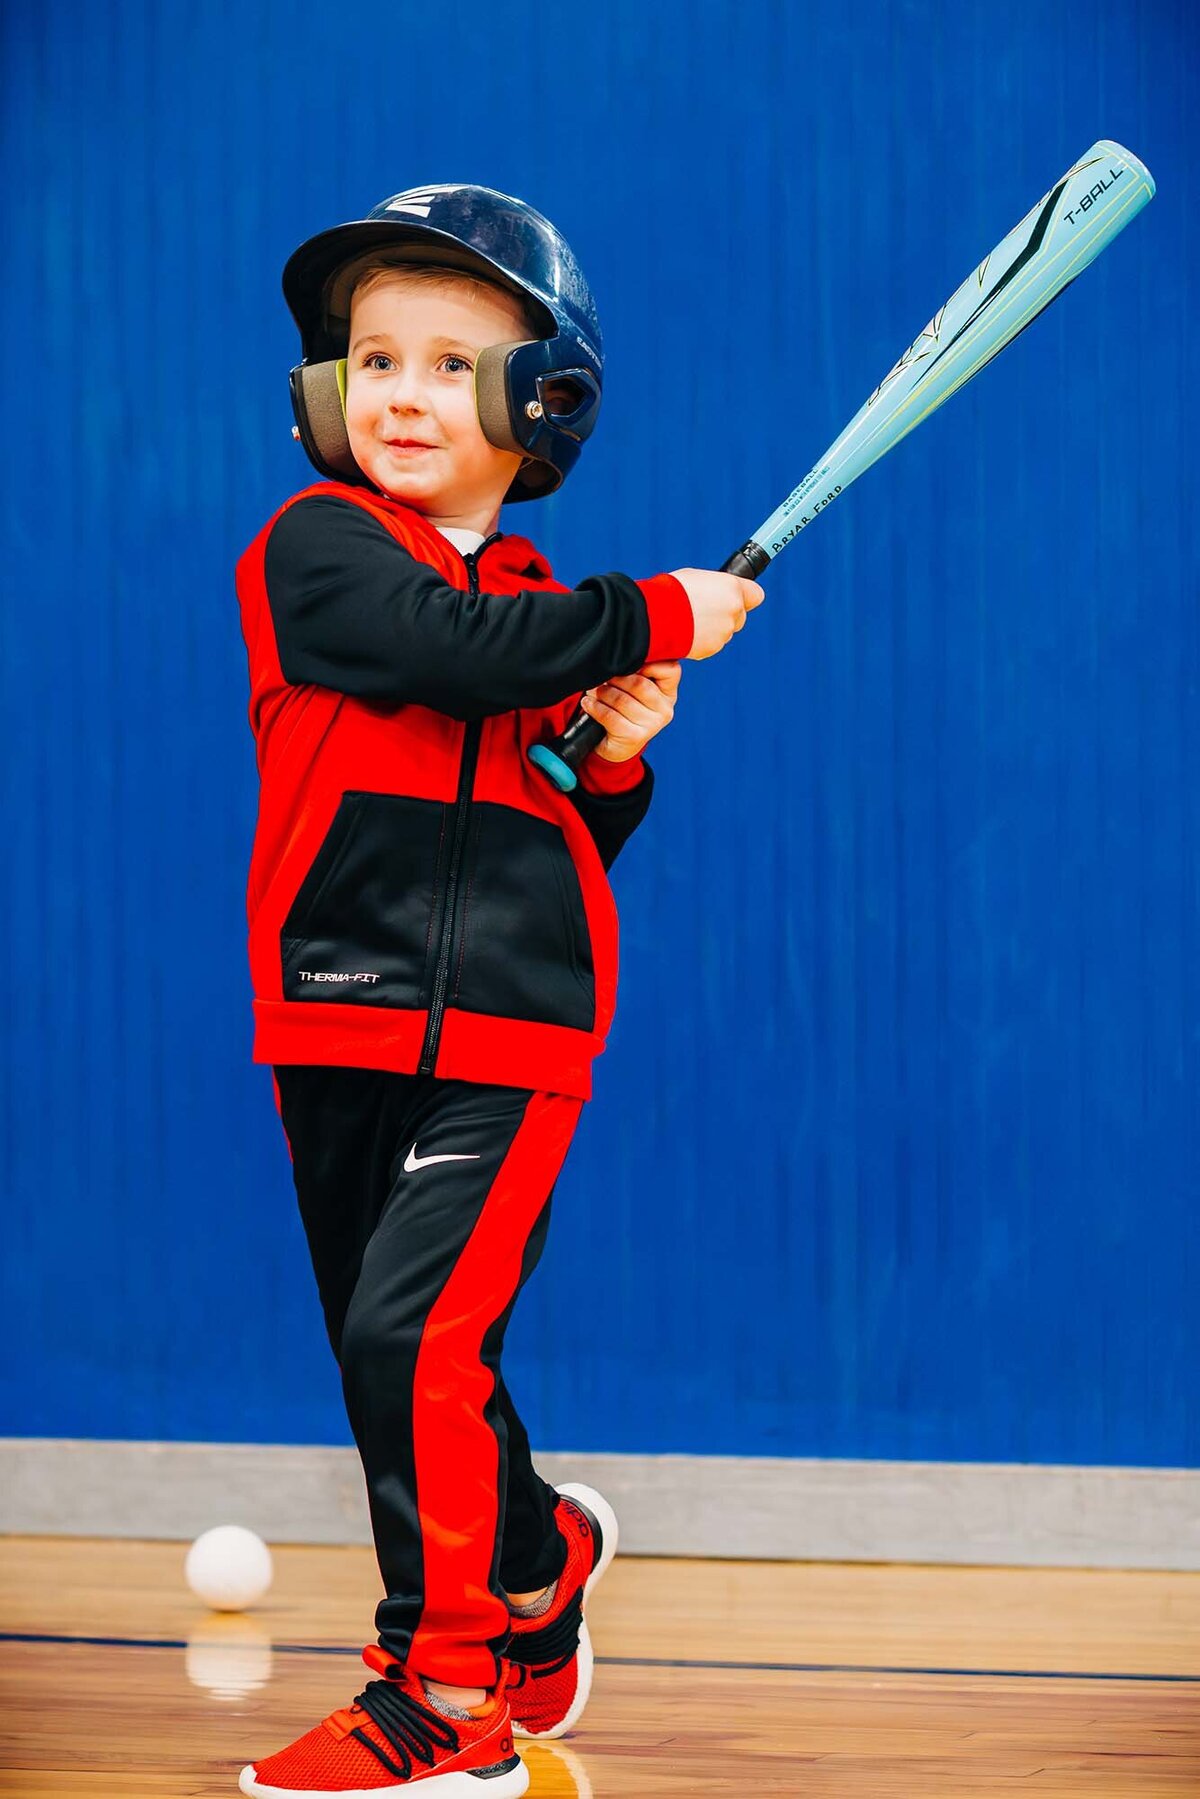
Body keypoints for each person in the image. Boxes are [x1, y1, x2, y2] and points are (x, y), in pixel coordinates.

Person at [234, 183, 763, 1797]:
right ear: (330, 395)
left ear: (541, 408)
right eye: (374, 358)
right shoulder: (320, 553)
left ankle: (447, 1698)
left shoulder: (537, 612)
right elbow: (445, 650)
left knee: (414, 1337)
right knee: (392, 1356)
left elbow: (555, 806)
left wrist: (611, 747)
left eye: (451, 364)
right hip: (335, 1010)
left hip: (515, 1032)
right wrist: (657, 611)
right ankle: (536, 1573)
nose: (401, 391)